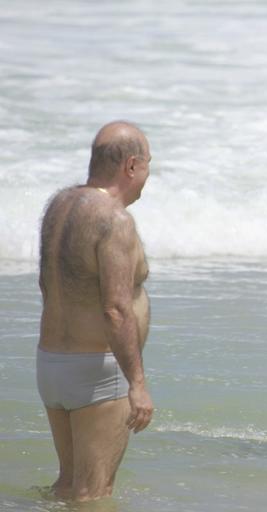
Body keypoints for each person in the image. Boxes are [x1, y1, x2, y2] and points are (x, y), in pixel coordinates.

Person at [37, 121, 154, 500]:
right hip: (98, 372)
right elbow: (116, 309)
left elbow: (47, 285)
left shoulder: (61, 205)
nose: (147, 176)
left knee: (68, 485)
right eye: (149, 165)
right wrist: (136, 383)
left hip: (52, 364)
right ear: (131, 165)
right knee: (94, 493)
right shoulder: (115, 220)